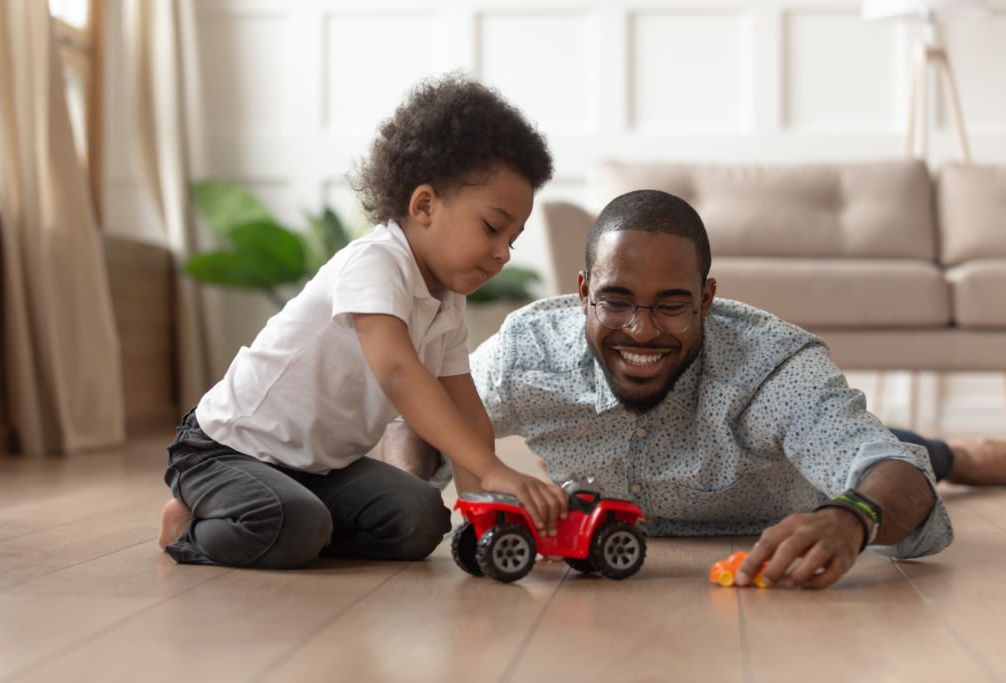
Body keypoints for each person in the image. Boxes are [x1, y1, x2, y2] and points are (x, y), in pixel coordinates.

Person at [383, 189, 988, 589]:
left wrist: (853, 515)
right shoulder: (529, 352)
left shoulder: (774, 367)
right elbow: (425, 422)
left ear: (706, 298)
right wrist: (410, 497)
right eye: (616, 302)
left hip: (806, 486)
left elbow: (894, 473)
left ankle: (961, 452)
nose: (641, 331)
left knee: (919, 456)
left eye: (672, 306)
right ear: (583, 291)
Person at [156, 74, 568, 569]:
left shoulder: (447, 302)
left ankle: (301, 522)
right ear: (424, 205)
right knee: (294, 526)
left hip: (321, 469)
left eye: (513, 239)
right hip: (227, 451)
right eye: (492, 227)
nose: (503, 252)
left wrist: (492, 515)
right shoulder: (375, 263)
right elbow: (399, 374)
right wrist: (494, 469)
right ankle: (190, 526)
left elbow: (467, 414)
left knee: (421, 519)